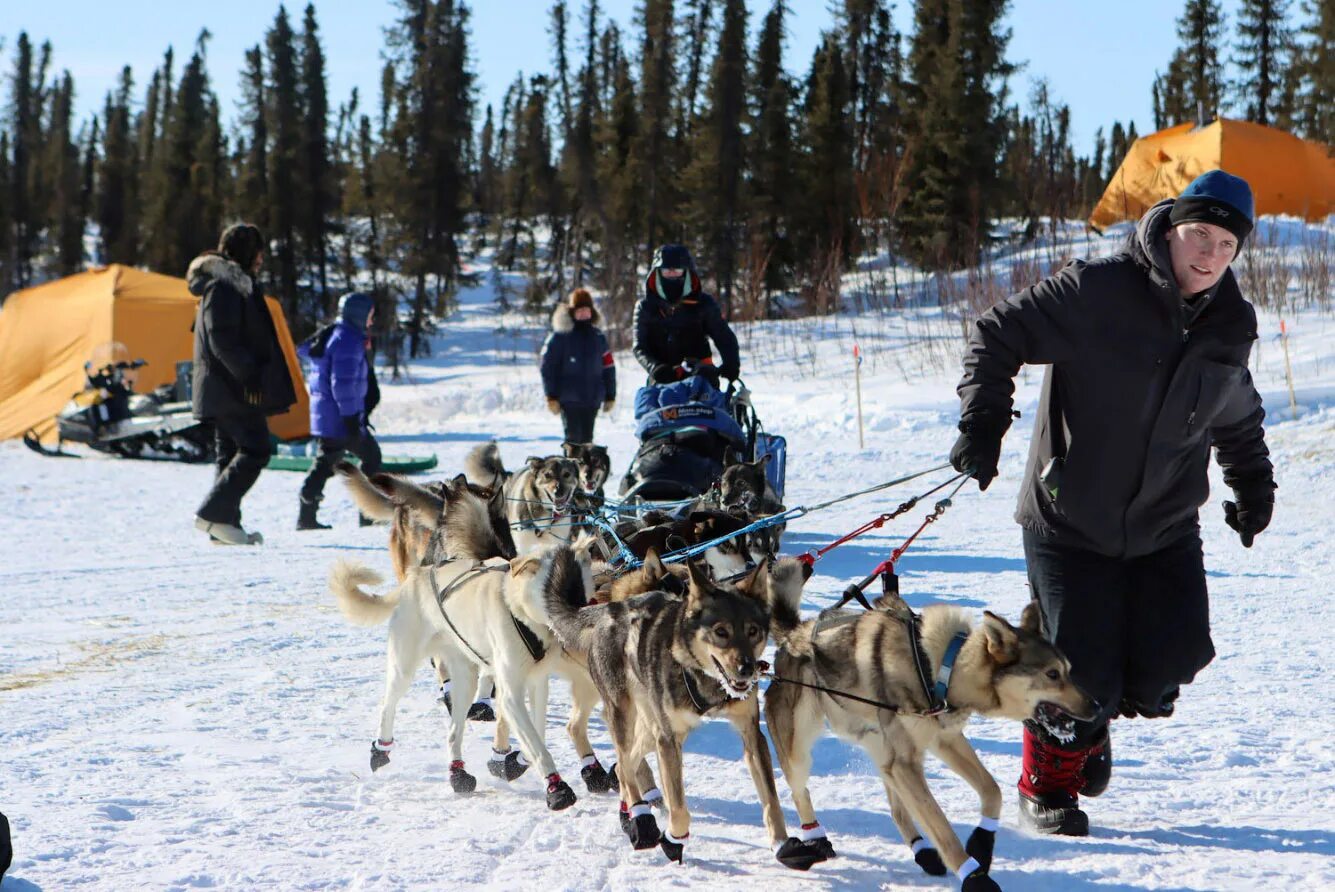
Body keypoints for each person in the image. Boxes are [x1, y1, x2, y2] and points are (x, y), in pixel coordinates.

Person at [950, 170, 1275, 836]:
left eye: (1224, 243)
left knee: (1167, 667)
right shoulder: (1096, 290)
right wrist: (983, 420)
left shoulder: (1230, 323)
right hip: (1068, 519)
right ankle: (1048, 779)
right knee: (1076, 676)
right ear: (1170, 228)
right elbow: (995, 332)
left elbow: (1233, 409)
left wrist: (1252, 482)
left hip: (1162, 525)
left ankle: (1088, 720)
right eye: (1198, 234)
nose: (1208, 254)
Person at [189, 223, 297, 545]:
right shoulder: (223, 288)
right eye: (259, 252)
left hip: (229, 388)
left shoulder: (235, 286)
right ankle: (213, 513)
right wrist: (249, 374)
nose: (262, 258)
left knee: (230, 453)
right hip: (231, 388)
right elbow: (222, 340)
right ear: (247, 252)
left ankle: (225, 527)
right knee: (257, 448)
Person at [297, 292, 384, 530]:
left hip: (329, 417)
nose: (371, 321)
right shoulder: (347, 339)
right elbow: (343, 384)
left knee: (327, 461)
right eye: (369, 315)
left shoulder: (338, 335)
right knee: (372, 457)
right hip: (340, 417)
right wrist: (350, 418)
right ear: (359, 314)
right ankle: (370, 513)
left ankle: (306, 513)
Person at [632, 243, 740, 390]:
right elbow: (640, 346)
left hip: (702, 376)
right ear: (656, 273)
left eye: (676, 270)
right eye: (666, 271)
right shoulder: (645, 307)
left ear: (686, 272)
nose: (671, 274)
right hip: (662, 378)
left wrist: (731, 362)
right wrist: (655, 367)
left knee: (717, 409)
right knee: (647, 406)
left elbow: (724, 336)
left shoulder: (704, 303)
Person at [540, 287, 616, 444]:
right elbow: (548, 368)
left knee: (587, 441)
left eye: (586, 310)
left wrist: (610, 395)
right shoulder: (560, 337)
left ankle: (586, 469)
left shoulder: (598, 337)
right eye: (579, 310)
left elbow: (608, 367)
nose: (583, 314)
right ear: (572, 312)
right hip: (569, 399)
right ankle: (569, 468)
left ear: (592, 312)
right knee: (573, 440)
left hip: (592, 398)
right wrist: (551, 396)